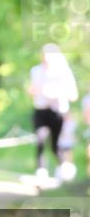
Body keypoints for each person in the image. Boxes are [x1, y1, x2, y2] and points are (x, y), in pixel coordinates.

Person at [28, 44, 79, 183]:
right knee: (40, 138)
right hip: (41, 110)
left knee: (55, 145)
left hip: (58, 112)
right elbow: (32, 90)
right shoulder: (36, 71)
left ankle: (64, 168)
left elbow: (73, 95)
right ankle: (41, 171)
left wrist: (57, 93)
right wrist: (36, 91)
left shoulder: (64, 72)